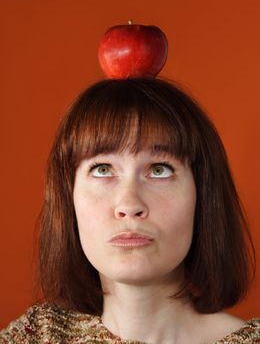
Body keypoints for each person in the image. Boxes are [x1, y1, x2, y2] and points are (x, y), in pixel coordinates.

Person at [0, 78, 259, 343]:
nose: (129, 205)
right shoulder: (35, 336)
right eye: (102, 169)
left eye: (159, 170)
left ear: (202, 195)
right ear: (69, 198)